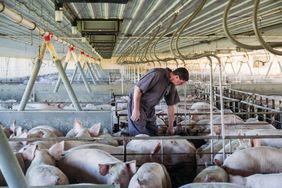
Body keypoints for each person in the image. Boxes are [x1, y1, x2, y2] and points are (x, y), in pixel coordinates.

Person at [127, 67, 189, 136]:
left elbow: (171, 106)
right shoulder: (158, 74)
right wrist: (136, 109)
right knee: (139, 133)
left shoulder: (171, 85)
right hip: (138, 104)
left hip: (150, 108)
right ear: (176, 77)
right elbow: (137, 88)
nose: (180, 85)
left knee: (153, 131)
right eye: (181, 83)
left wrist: (171, 127)